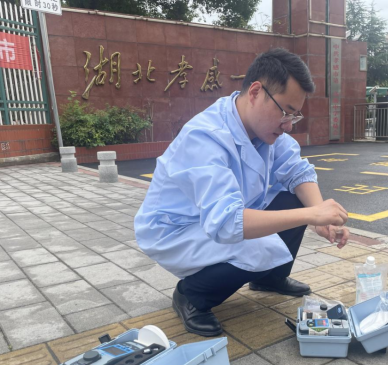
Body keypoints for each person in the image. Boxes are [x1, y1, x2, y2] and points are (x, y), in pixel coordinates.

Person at [135, 48, 350, 337]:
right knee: (259, 246)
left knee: (293, 199)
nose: (288, 125)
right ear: (256, 92)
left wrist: (320, 218)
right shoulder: (205, 136)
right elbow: (228, 223)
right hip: (177, 230)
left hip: (219, 217)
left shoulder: (265, 130)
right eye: (285, 112)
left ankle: (270, 279)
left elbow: (297, 171)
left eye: (295, 115)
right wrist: (312, 214)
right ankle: (192, 295)